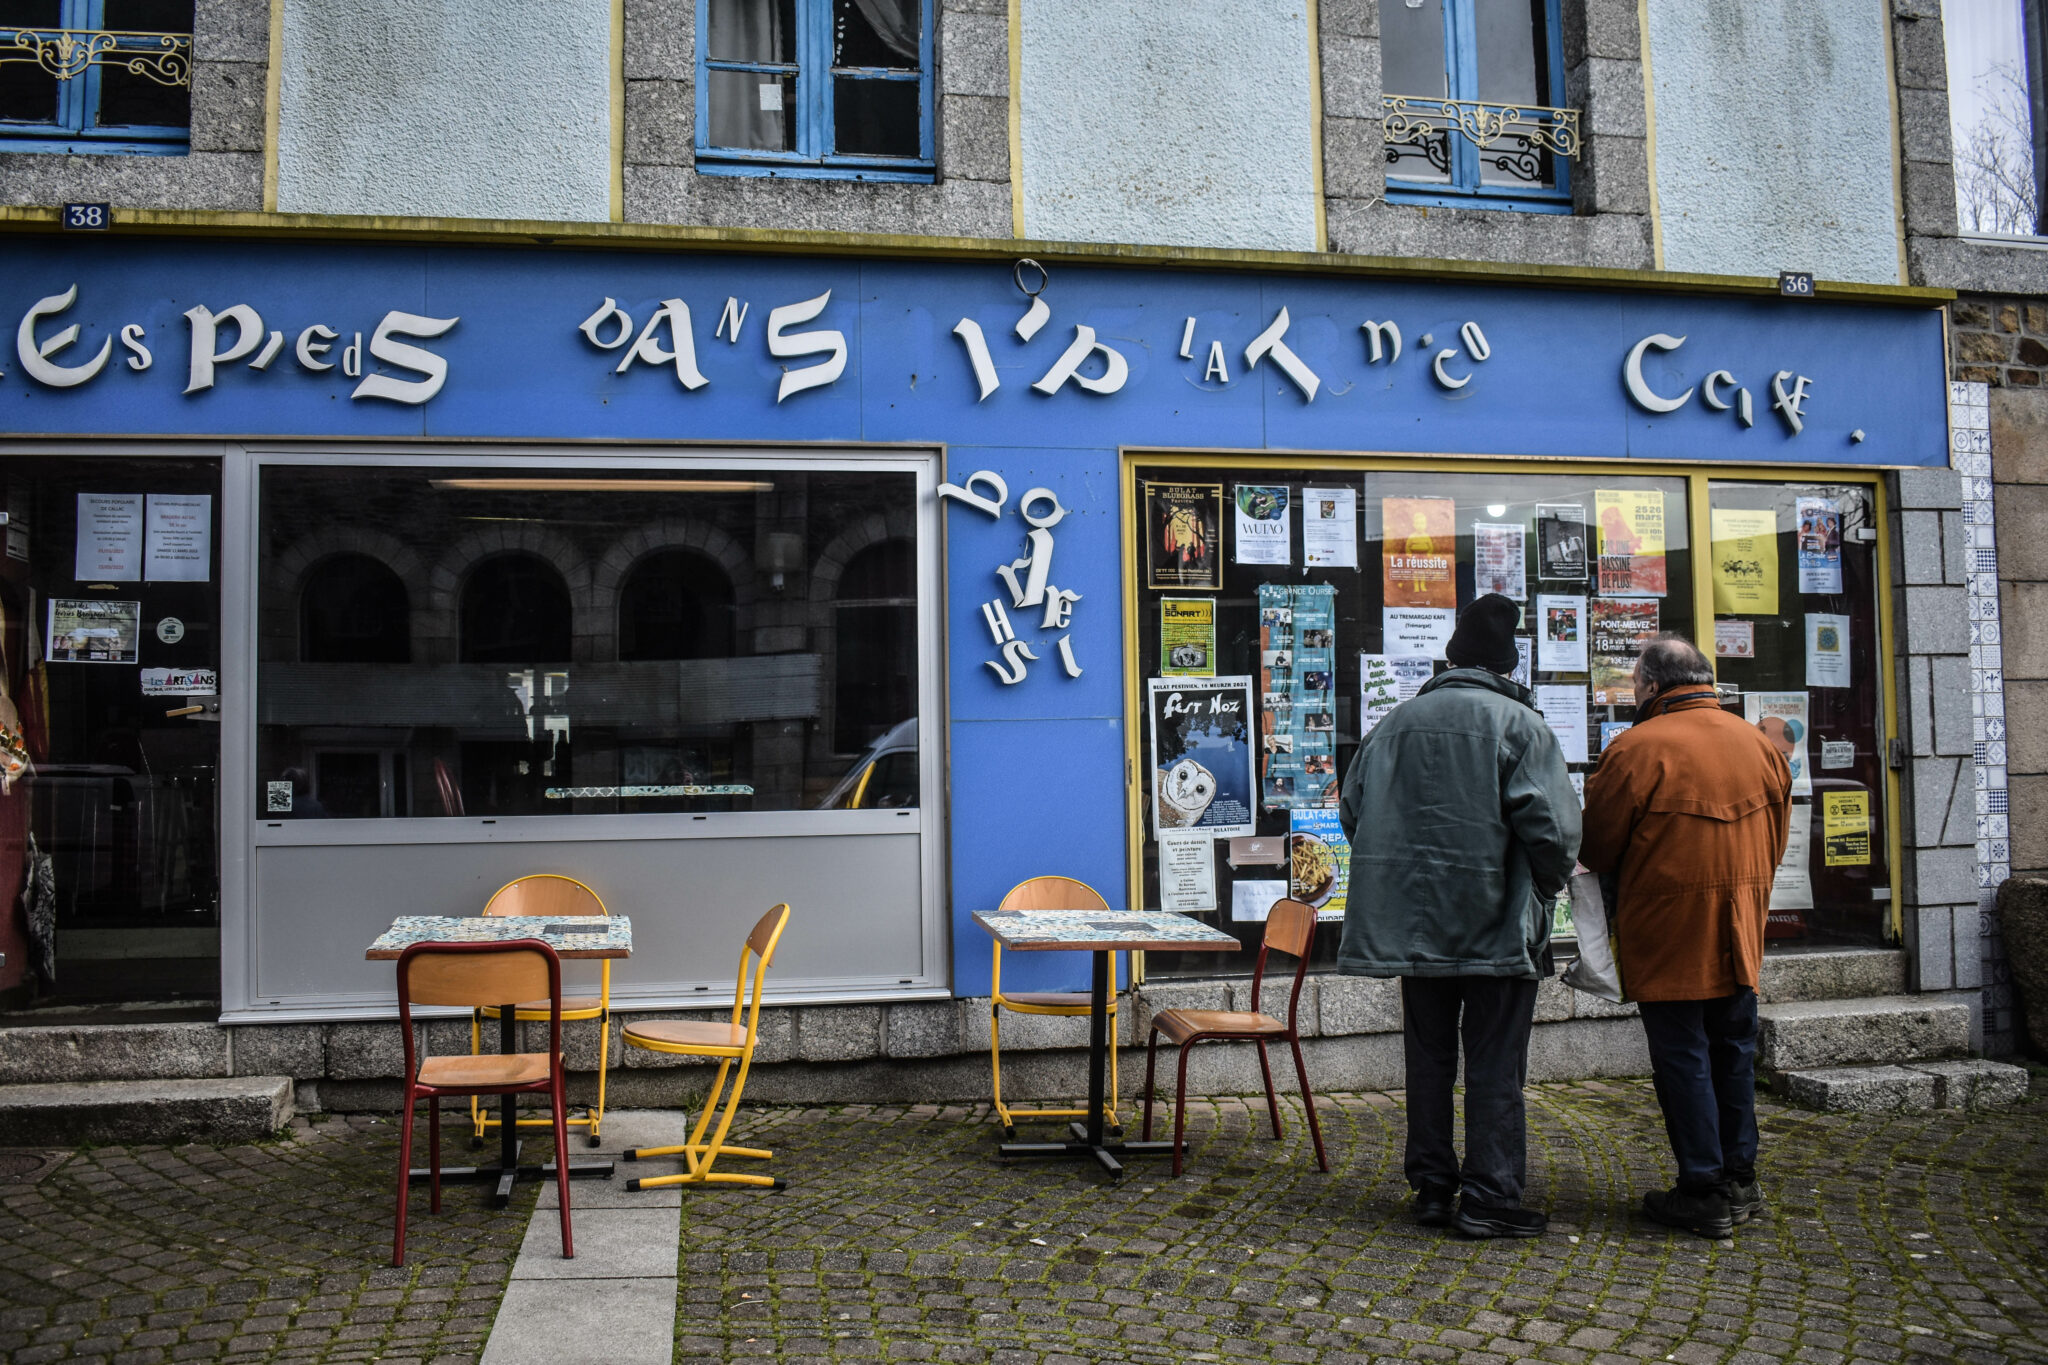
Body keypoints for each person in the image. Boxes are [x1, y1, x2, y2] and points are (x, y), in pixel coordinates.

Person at [1337, 593, 1580, 1239]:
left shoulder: (1396, 724)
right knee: (1496, 1062)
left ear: (1451, 659)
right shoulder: (1521, 726)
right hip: (1498, 922)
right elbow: (1556, 833)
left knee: (1429, 1058)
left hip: (1415, 928)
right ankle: (1490, 1195)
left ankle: (1433, 1187)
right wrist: (1541, 889)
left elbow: (1353, 813)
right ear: (1508, 664)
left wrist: (1400, 877)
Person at [1579, 634, 1792, 1240]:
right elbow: (1777, 842)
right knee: (1734, 1051)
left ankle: (1703, 1189)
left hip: (1667, 931)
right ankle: (1740, 1179)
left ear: (1650, 686)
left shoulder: (1636, 748)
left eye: (1635, 685)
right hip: (1740, 927)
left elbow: (1597, 847)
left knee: (1683, 1057)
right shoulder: (1758, 743)